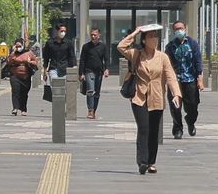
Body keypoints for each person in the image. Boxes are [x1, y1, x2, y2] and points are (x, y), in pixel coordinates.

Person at [118, 26, 182, 175]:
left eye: (156, 36)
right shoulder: (136, 54)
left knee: (153, 131)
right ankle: (142, 161)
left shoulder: (162, 57)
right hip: (139, 97)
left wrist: (176, 94)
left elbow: (171, 76)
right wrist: (135, 32)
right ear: (145, 40)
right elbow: (121, 46)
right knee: (143, 128)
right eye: (151, 36)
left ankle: (151, 162)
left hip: (157, 97)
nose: (155, 39)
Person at [165, 20, 204, 139]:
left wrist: (200, 79)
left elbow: (198, 61)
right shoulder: (170, 46)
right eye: (176, 29)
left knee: (192, 105)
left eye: (181, 28)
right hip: (175, 81)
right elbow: (166, 64)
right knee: (175, 106)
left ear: (185, 28)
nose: (179, 31)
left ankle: (190, 121)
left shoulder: (192, 44)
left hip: (190, 79)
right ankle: (178, 128)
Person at [79, 28, 109, 119]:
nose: (93, 36)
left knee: (97, 92)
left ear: (99, 35)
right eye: (91, 35)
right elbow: (82, 60)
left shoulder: (103, 46)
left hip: (99, 72)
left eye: (95, 35)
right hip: (89, 71)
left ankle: (94, 110)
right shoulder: (86, 47)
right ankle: (90, 110)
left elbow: (106, 59)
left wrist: (106, 69)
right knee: (90, 91)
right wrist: (81, 73)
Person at [6, 38, 37, 116]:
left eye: (20, 46)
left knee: (24, 93)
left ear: (23, 45)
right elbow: (9, 61)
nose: (18, 48)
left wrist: (29, 62)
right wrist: (13, 52)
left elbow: (35, 62)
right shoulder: (13, 53)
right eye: (17, 46)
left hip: (26, 76)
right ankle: (15, 108)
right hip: (15, 75)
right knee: (15, 91)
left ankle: (23, 109)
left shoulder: (29, 53)